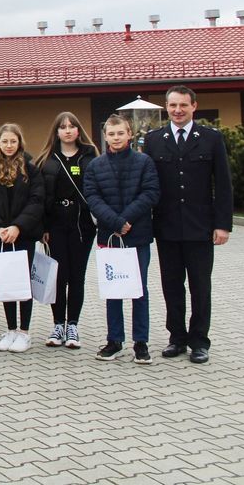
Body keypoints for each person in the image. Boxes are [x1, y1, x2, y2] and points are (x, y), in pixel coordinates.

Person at [144, 85, 233, 365]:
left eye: (183, 105)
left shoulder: (210, 138)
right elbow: (149, 185)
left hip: (200, 227)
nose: (178, 111)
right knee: (172, 286)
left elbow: (223, 184)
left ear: (194, 106)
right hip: (167, 227)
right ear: (166, 107)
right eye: (172, 106)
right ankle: (177, 338)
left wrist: (223, 225)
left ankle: (199, 341)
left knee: (200, 287)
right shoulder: (154, 139)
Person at [85, 115, 161, 364]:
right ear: (105, 135)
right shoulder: (95, 166)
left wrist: (126, 219)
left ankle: (141, 342)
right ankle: (114, 340)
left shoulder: (144, 162)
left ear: (129, 134)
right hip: (110, 236)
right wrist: (116, 222)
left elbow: (151, 192)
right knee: (113, 289)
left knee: (139, 290)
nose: (116, 138)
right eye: (111, 133)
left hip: (137, 235)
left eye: (120, 133)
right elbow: (93, 198)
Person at [0, 123, 44, 354]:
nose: (9, 145)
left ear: (19, 142)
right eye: (5, 141)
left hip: (23, 236)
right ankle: (11, 329)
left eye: (13, 141)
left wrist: (17, 226)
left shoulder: (31, 169)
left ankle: (24, 332)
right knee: (6, 284)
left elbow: (36, 201)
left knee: (23, 284)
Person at [34, 112, 99, 350]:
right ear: (56, 132)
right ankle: (57, 324)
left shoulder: (90, 158)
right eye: (63, 127)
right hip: (54, 226)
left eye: (72, 126)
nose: (68, 130)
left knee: (76, 277)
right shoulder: (46, 160)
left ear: (78, 130)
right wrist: (42, 228)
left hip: (82, 226)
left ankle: (73, 325)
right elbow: (39, 197)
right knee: (58, 277)